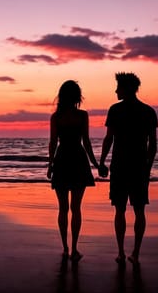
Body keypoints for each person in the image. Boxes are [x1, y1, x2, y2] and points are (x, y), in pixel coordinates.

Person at [99, 72, 158, 265]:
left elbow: (109, 139)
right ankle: (135, 253)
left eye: (118, 87)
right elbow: (153, 144)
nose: (116, 90)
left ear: (126, 88)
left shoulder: (115, 110)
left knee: (120, 209)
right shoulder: (148, 111)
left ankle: (121, 253)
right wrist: (148, 166)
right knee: (139, 210)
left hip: (120, 165)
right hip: (139, 166)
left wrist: (101, 162)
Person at [47, 80, 99, 262]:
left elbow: (53, 143)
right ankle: (74, 249)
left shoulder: (56, 117)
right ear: (77, 96)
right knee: (75, 208)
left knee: (63, 208)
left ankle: (65, 247)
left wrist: (50, 164)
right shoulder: (82, 116)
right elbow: (86, 142)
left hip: (62, 160)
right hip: (78, 159)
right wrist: (96, 164)